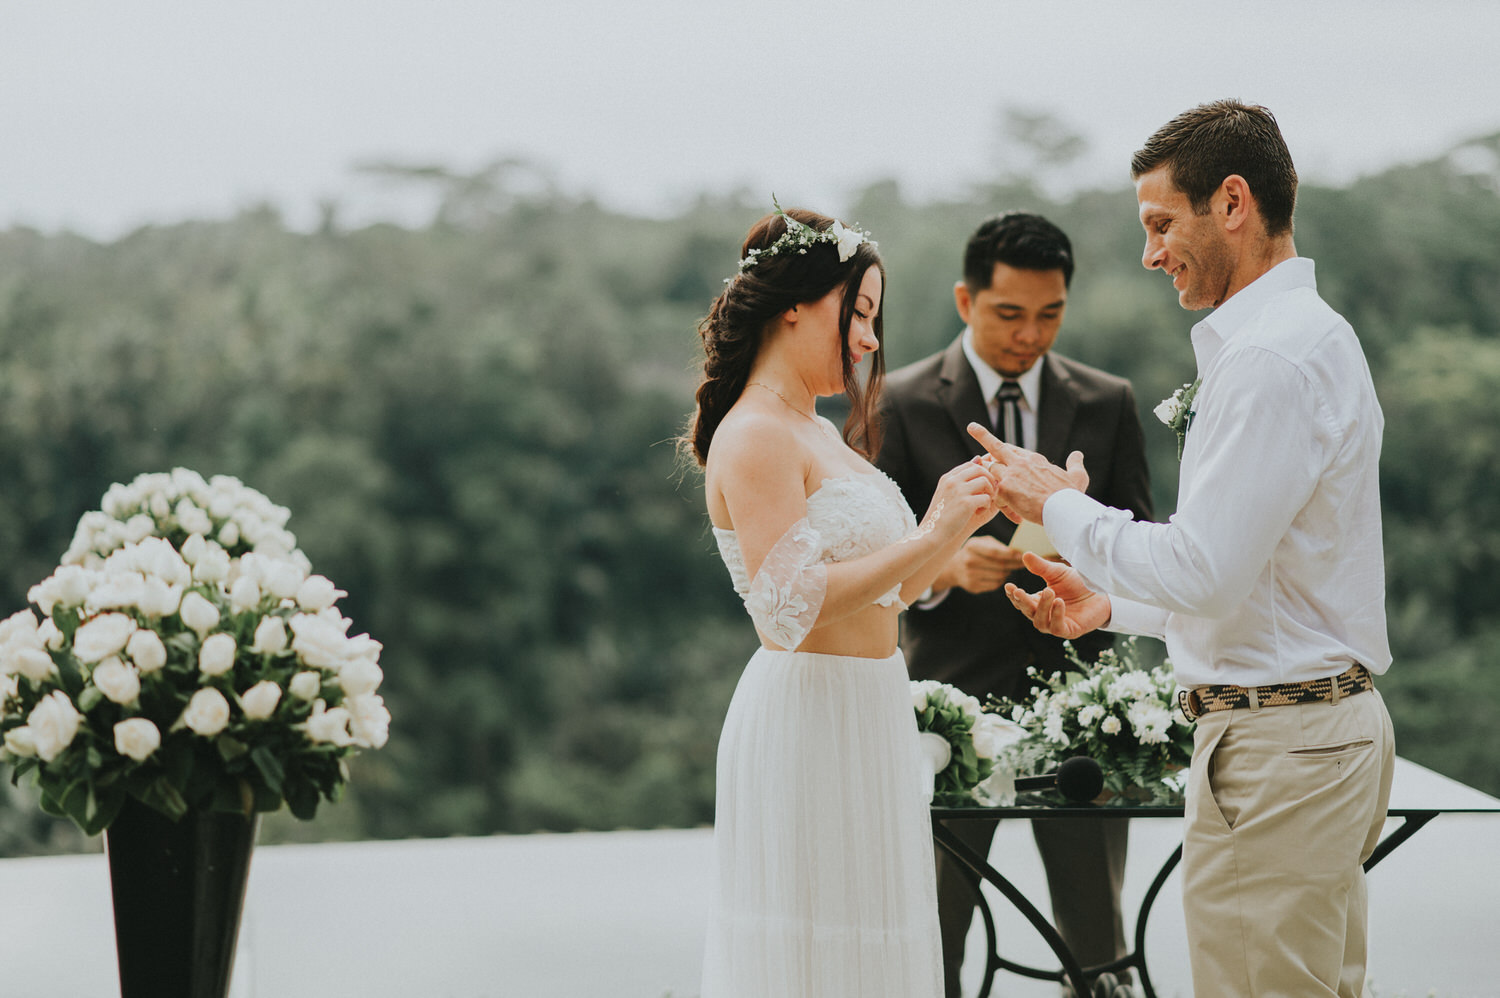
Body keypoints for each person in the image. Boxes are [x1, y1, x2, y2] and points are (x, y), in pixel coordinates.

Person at [971, 100, 1396, 998]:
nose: (1150, 252)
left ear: (1232, 202)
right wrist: (1110, 603)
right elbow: (1251, 578)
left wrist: (1062, 505)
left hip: (1280, 753)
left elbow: (1205, 567)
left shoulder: (1270, 362)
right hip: (1304, 741)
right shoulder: (1304, 338)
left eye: (1163, 223)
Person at [685, 203, 1003, 998]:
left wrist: (964, 533)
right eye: (856, 313)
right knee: (815, 957)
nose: (869, 340)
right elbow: (785, 610)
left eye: (873, 319)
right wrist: (934, 536)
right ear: (796, 303)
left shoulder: (822, 433)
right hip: (808, 719)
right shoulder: (757, 432)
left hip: (870, 709)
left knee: (876, 952)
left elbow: (890, 586)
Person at [876, 211, 1153, 996]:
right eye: (1009, 314)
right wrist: (942, 566)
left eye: (1050, 314)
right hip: (945, 707)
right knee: (934, 935)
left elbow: (1147, 545)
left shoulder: (1108, 402)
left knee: (1098, 946)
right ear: (966, 301)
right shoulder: (899, 402)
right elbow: (865, 563)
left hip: (1081, 705)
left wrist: (1087, 548)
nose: (1030, 335)